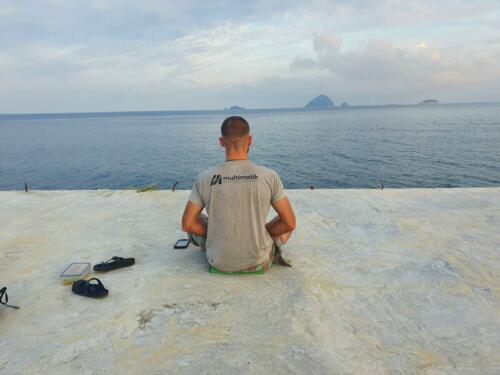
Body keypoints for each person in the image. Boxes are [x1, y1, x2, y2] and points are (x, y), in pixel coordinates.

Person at [181, 116, 296, 273]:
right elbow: (289, 223)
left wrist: (217, 232)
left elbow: (187, 224)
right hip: (259, 261)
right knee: (287, 222)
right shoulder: (269, 176)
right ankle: (263, 246)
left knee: (196, 218)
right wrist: (260, 232)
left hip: (219, 262)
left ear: (221, 142)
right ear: (250, 140)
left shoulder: (205, 177)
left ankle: (221, 240)